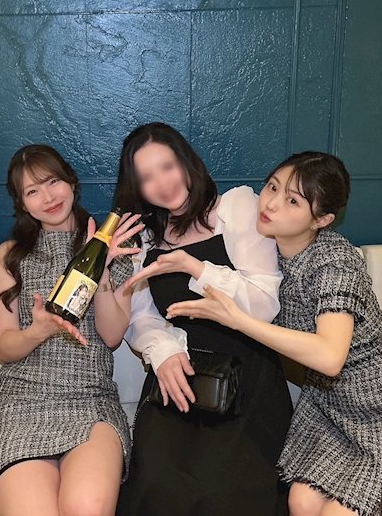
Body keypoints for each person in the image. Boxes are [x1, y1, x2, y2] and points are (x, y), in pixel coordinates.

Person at [166, 151, 382, 516]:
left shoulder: (335, 262)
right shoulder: (264, 251)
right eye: (272, 187)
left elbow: (331, 357)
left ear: (322, 219)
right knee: (300, 501)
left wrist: (237, 319)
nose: (271, 204)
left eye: (293, 201)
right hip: (332, 408)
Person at [114, 122, 293, 516]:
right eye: (146, 177)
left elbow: (265, 303)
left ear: (186, 162)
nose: (162, 184)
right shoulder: (144, 239)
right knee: (158, 487)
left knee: (222, 494)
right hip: (177, 374)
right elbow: (139, 317)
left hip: (246, 376)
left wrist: (195, 268)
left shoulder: (235, 209)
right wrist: (162, 353)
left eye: (168, 166)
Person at [0, 144, 143, 516]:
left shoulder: (115, 246)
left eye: (53, 181)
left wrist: (101, 270)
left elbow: (112, 336)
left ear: (71, 182)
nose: (48, 197)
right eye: (32, 191)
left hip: (91, 400)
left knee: (87, 508)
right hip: (22, 403)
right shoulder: (11, 255)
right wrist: (37, 331)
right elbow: (5, 348)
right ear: (22, 204)